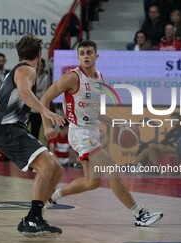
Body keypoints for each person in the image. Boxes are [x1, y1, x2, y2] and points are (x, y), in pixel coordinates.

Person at [41, 40, 163, 227]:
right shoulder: (72, 78)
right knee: (112, 170)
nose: (86, 56)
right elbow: (44, 98)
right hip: (80, 132)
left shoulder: (99, 77)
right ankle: (139, 214)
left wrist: (113, 123)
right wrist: (47, 125)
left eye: (89, 52)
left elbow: (94, 109)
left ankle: (53, 196)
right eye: (82, 53)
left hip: (92, 131)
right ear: (78, 57)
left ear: (96, 56)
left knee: (92, 182)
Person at [0, 34, 65, 237]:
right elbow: (25, 92)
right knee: (48, 166)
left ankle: (34, 217)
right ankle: (32, 219)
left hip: (6, 130)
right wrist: (46, 111)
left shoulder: (12, 73)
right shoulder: (28, 70)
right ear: (39, 55)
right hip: (9, 129)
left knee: (57, 168)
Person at [29, 58, 49, 139]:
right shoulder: (31, 75)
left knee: (35, 130)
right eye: (38, 65)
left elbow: (46, 93)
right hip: (29, 107)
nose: (39, 67)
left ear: (43, 67)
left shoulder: (47, 77)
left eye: (41, 66)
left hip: (39, 108)